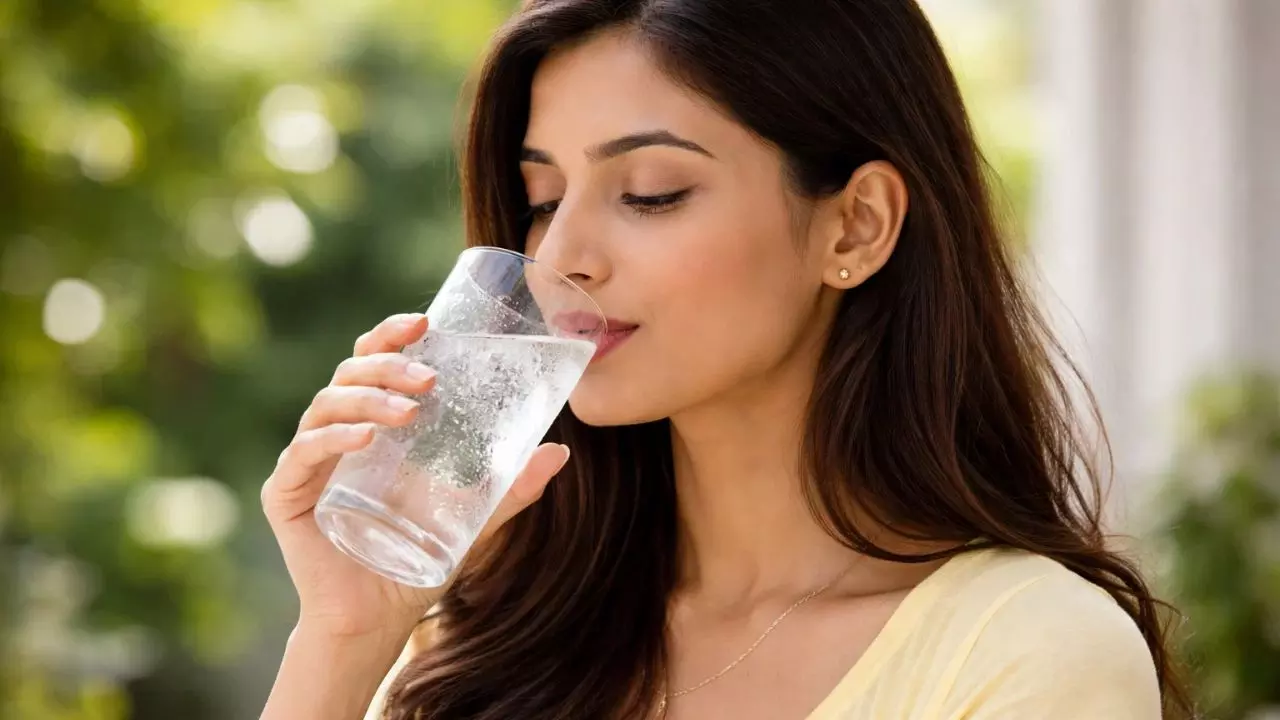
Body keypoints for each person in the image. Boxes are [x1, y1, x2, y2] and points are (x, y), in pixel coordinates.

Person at [260, 1, 1191, 718]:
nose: (562, 255)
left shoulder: (1023, 648)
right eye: (542, 198)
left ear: (856, 226)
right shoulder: (482, 643)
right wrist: (346, 639)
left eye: (652, 193)